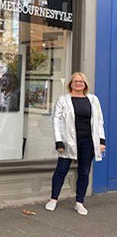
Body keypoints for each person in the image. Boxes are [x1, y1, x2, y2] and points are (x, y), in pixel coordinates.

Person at [45, 72, 106, 215]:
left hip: (88, 141)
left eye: (81, 81)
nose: (78, 83)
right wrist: (59, 141)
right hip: (69, 141)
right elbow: (56, 121)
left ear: (85, 84)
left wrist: (101, 141)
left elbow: (99, 121)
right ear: (70, 83)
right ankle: (53, 199)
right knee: (61, 170)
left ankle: (79, 202)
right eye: (75, 81)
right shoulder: (63, 100)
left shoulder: (93, 100)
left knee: (84, 172)